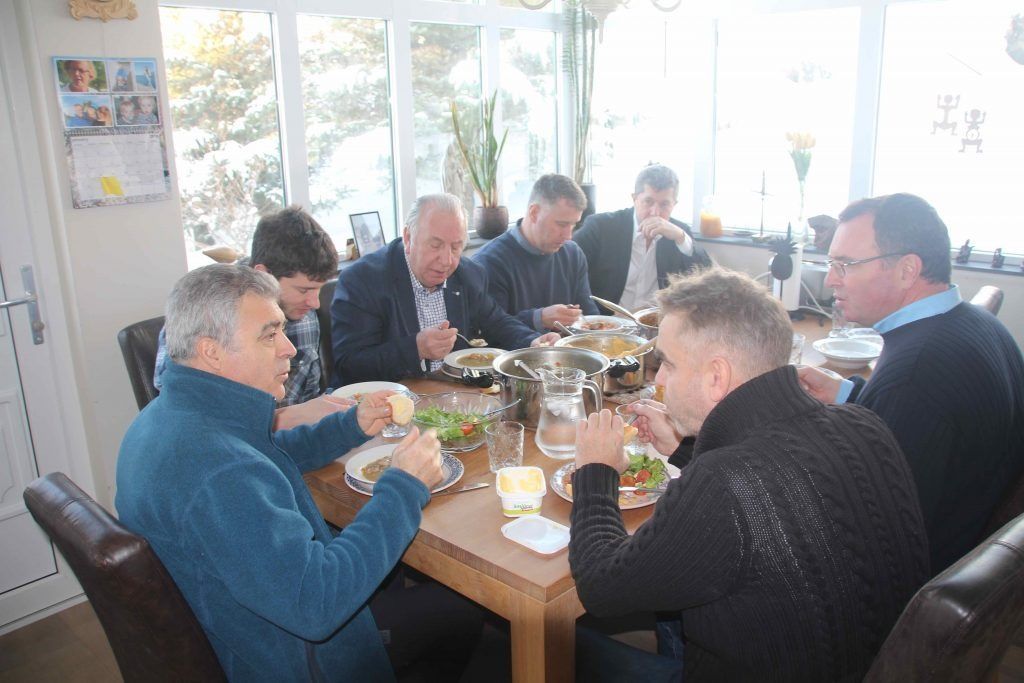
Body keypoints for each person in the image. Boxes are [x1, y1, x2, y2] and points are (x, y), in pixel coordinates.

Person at [117, 264, 483, 681]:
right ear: (211, 351)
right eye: (269, 335)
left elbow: (266, 454)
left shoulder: (171, 417)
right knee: (462, 609)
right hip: (294, 657)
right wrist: (405, 486)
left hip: (248, 619)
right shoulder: (218, 472)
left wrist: (350, 425)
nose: (289, 348)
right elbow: (317, 604)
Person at [569, 268, 929, 681]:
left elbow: (600, 588)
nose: (659, 379)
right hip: (870, 664)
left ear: (717, 376)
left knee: (554, 640)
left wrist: (595, 470)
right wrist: (685, 450)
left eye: (666, 363)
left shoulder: (721, 484)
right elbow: (775, 485)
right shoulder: (864, 423)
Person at [797, 193, 1024, 574]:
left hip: (913, 575)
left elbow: (873, 529)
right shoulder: (976, 323)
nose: (831, 278)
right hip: (968, 541)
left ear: (907, 270)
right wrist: (849, 394)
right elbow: (916, 432)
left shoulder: (915, 376)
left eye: (845, 265)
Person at [330, 193, 560, 385]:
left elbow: (497, 322)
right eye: (435, 245)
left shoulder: (469, 274)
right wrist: (416, 348)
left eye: (456, 247)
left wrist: (532, 342)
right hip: (388, 405)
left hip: (456, 396)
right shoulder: (363, 281)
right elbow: (349, 364)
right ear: (408, 238)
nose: (446, 261)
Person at [154, 206, 342, 429]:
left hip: (294, 441)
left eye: (319, 289)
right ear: (264, 273)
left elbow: (309, 396)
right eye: (304, 290)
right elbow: (183, 417)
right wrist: (285, 418)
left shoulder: (304, 314)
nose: (315, 303)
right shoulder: (201, 315)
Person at [573, 164, 711, 311]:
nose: (655, 212)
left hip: (656, 321)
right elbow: (569, 265)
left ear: (674, 204)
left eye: (664, 204)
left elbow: (706, 278)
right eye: (648, 201)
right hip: (607, 320)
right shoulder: (601, 227)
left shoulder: (679, 233)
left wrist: (681, 238)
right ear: (634, 199)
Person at [472, 174, 599, 331]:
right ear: (534, 213)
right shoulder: (489, 262)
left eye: (573, 225)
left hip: (570, 346)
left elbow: (589, 316)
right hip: (517, 348)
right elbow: (488, 331)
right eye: (561, 224)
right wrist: (538, 319)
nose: (568, 236)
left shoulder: (573, 254)